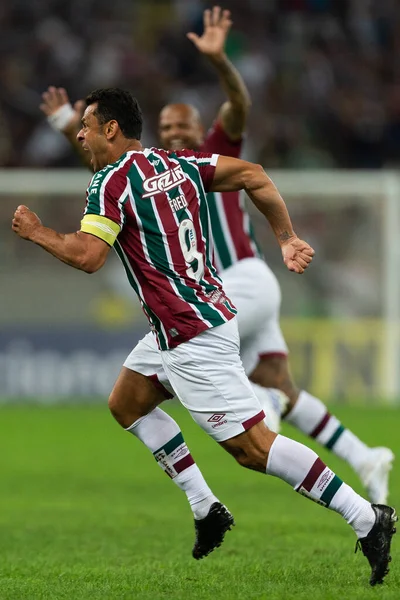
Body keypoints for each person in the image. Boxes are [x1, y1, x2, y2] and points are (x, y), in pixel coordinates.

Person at [14, 87, 396, 586]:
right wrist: (286, 236)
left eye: (86, 124)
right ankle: (206, 507)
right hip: (196, 317)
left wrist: (38, 232)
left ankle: (368, 518)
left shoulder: (110, 182)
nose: (80, 133)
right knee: (127, 402)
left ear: (111, 129)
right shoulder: (178, 163)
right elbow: (254, 175)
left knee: (254, 449)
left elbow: (88, 257)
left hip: (192, 335)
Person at [40, 6, 393, 505]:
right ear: (155, 132)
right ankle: (362, 456)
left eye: (185, 123)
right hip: (217, 293)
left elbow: (239, 109)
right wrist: (66, 125)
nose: (177, 130)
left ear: (200, 126)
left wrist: (221, 63)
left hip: (232, 284)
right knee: (277, 385)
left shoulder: (205, 152)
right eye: (168, 124)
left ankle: (256, 419)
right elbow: (107, 165)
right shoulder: (158, 170)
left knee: (247, 410)